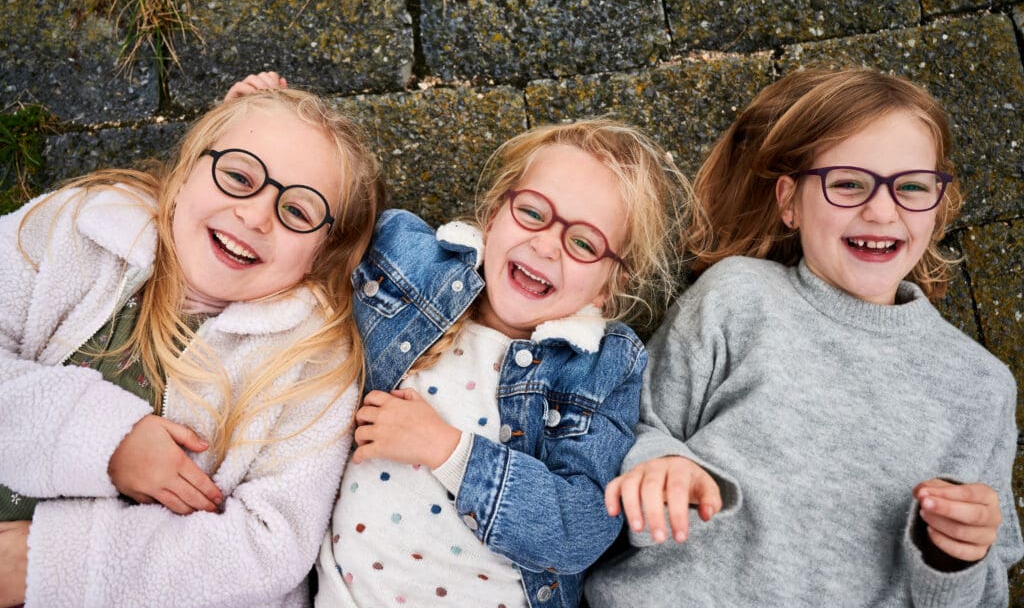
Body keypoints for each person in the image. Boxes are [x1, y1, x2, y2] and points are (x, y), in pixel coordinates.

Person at [584, 67, 1024, 607]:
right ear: (790, 202)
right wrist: (658, 466)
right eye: (847, 184)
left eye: (911, 187)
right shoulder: (737, 298)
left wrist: (955, 558)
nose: (881, 209)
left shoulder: (981, 388)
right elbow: (626, 425)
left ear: (939, 205)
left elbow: (983, 596)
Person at [0, 86, 384, 607]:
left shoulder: (313, 360)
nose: (255, 216)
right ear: (184, 174)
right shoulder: (82, 226)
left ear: (321, 254)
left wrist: (40, 563)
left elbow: (268, 546)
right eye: (239, 177)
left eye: (297, 211)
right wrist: (106, 441)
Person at [315, 116, 692, 608]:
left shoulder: (600, 369)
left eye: (583, 243)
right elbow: (316, 222)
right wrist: (265, 119)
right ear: (493, 216)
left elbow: (580, 530)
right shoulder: (408, 262)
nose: (546, 244)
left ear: (608, 286)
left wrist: (447, 450)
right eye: (533, 213)